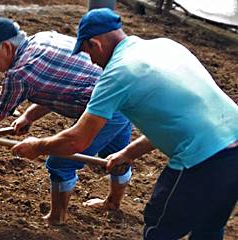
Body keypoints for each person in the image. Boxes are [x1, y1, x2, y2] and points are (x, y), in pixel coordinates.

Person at [12, 8, 238, 239]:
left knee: (160, 225)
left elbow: (77, 140)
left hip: (202, 159)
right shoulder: (166, 46)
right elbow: (177, 118)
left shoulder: (117, 73)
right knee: (208, 225)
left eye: (87, 52)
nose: (91, 61)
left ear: (94, 44)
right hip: (233, 146)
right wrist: (129, 152)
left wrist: (38, 146)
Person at [0, 17, 133, 225]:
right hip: (126, 94)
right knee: (118, 155)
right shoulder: (42, 39)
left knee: (60, 161)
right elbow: (59, 83)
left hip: (105, 108)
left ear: (6, 47)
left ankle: (56, 218)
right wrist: (29, 116)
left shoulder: (20, 73)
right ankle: (113, 203)